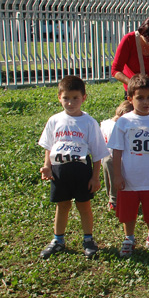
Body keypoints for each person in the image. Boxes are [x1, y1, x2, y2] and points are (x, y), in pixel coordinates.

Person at [38, 75, 110, 259]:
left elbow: (97, 152)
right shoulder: (54, 120)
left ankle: (88, 240)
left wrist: (95, 177)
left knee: (84, 206)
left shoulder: (89, 122)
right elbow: (48, 145)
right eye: (66, 98)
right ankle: (58, 240)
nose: (70, 103)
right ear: (59, 97)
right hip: (59, 171)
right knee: (62, 206)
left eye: (75, 98)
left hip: (81, 171)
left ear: (84, 98)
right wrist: (47, 166)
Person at [107, 74, 149, 257]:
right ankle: (129, 238)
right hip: (129, 179)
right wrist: (117, 176)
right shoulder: (124, 122)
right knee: (128, 212)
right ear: (130, 99)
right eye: (140, 98)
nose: (146, 102)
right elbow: (117, 151)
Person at [111, 15, 149, 118]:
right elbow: (115, 70)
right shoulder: (129, 40)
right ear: (143, 33)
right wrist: (133, 84)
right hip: (136, 91)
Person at [100, 100, 133, 211]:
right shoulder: (117, 126)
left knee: (108, 178)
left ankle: (111, 197)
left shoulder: (104, 123)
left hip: (105, 156)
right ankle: (114, 200)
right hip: (115, 157)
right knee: (115, 178)